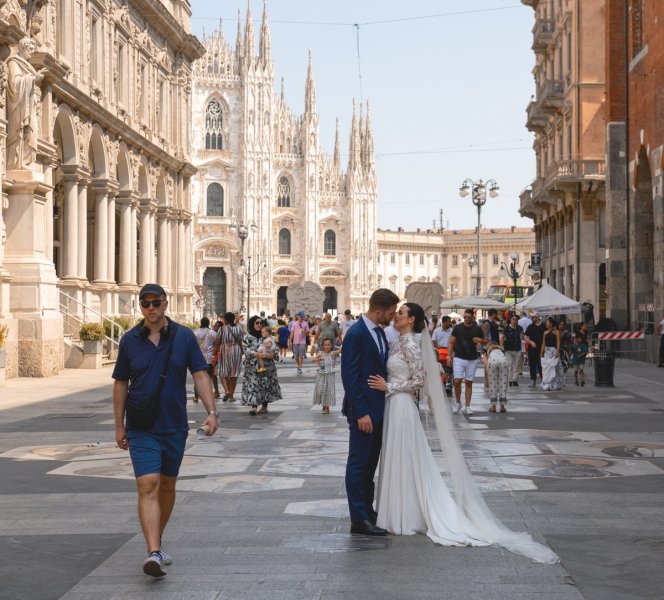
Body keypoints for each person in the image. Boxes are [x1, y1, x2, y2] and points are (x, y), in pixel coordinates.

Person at [366, 302, 558, 564]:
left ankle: (406, 513)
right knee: (399, 457)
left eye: (400, 313)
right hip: (394, 404)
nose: (395, 316)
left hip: (400, 404)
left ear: (411, 320)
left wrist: (389, 386)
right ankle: (399, 511)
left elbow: (420, 380)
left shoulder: (410, 344)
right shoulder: (398, 341)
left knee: (405, 456)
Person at [112, 283, 218, 578]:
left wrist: (211, 412)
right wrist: (119, 424)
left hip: (173, 424)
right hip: (141, 425)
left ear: (165, 303)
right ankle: (153, 551)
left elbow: (199, 373)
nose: (151, 308)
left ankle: (157, 537)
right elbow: (120, 382)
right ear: (140, 306)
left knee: (168, 484)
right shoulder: (130, 340)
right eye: (145, 304)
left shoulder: (184, 336)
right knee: (147, 484)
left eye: (156, 302)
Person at [341, 288, 399, 536]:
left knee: (368, 466)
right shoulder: (356, 333)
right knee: (358, 465)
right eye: (391, 312)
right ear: (379, 311)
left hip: (377, 410)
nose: (393, 317)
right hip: (363, 412)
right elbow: (350, 377)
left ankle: (367, 510)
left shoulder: (379, 332)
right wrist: (361, 411)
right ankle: (358, 518)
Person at [6, 38, 46, 170]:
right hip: (19, 107)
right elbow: (15, 83)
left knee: (32, 134)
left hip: (30, 107)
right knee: (20, 132)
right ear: (22, 47)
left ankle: (25, 162)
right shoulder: (13, 62)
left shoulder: (26, 66)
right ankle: (18, 163)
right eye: (30, 49)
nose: (31, 52)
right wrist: (33, 78)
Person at [447, 308, 487, 415]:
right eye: (465, 317)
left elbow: (486, 341)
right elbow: (451, 342)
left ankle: (468, 406)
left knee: (469, 383)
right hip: (459, 357)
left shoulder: (477, 328)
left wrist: (480, 340)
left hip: (472, 359)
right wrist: (448, 356)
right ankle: (458, 403)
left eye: (468, 317)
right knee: (457, 381)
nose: (466, 319)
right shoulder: (457, 327)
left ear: (472, 317)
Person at [242, 315, 282, 415]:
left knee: (265, 385)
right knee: (252, 384)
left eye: (261, 323)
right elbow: (245, 349)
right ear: (252, 324)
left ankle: (264, 406)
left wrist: (273, 354)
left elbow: (275, 348)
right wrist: (255, 354)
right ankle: (253, 406)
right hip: (252, 365)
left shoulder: (268, 336)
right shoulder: (247, 337)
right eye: (257, 323)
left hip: (267, 365)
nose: (259, 325)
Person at [214, 312, 243, 402]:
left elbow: (217, 343)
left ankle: (226, 390)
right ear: (233, 319)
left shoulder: (222, 329)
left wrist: (213, 354)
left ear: (225, 319)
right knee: (233, 374)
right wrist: (242, 351)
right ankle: (231, 396)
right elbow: (240, 341)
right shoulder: (238, 328)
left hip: (224, 349)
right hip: (236, 350)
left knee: (222, 371)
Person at [192, 317, 217, 403]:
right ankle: (208, 396)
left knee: (197, 378)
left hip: (198, 357)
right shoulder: (213, 333)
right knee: (208, 377)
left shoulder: (195, 332)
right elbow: (216, 344)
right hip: (209, 357)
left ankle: (196, 396)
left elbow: (192, 345)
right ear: (208, 323)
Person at [312, 338, 341, 414]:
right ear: (323, 346)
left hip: (330, 375)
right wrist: (318, 358)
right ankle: (324, 406)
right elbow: (313, 359)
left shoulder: (333, 353)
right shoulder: (320, 353)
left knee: (328, 391)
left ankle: (326, 407)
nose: (327, 346)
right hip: (321, 374)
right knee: (321, 390)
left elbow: (342, 350)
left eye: (329, 345)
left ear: (331, 345)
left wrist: (337, 346)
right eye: (325, 345)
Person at [540, 317, 563, 391]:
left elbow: (558, 342)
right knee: (546, 368)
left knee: (554, 367)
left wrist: (557, 351)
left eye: (547, 322)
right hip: (547, 351)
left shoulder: (556, 332)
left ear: (551, 323)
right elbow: (543, 343)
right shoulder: (544, 332)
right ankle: (546, 383)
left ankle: (554, 384)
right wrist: (541, 352)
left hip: (553, 350)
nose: (546, 324)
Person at [485, 341, 508, 413]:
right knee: (503, 383)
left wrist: (486, 379)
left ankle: (493, 407)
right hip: (503, 360)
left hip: (492, 361)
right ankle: (502, 407)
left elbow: (485, 364)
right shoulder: (501, 349)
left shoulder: (486, 350)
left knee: (493, 384)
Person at [502, 314, 525, 387]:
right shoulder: (507, 328)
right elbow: (502, 337)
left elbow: (522, 337)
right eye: (513, 319)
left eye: (516, 320)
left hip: (517, 349)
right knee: (509, 364)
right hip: (508, 349)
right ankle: (510, 380)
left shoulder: (520, 328)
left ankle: (515, 380)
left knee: (516, 365)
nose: (515, 321)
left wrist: (522, 336)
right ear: (510, 320)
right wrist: (502, 346)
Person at [524, 312, 545, 387]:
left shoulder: (543, 326)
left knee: (541, 364)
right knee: (532, 364)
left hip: (541, 348)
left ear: (538, 317)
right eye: (532, 318)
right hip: (532, 349)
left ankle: (543, 380)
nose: (533, 319)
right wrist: (530, 342)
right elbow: (525, 336)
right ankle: (533, 380)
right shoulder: (530, 326)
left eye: (534, 317)